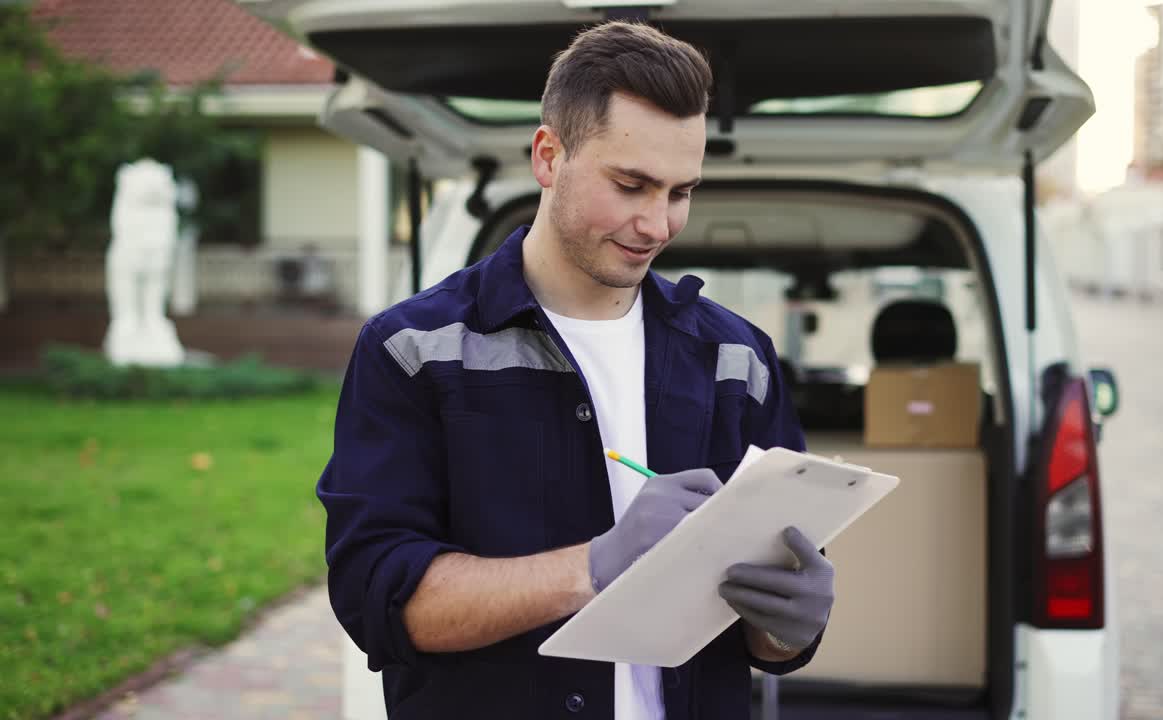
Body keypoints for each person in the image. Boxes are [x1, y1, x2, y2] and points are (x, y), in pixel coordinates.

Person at [319, 20, 836, 719]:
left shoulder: (736, 361)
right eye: (631, 185)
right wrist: (591, 567)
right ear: (548, 156)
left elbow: (763, 632)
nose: (657, 224)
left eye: (680, 192)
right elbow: (377, 595)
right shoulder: (414, 349)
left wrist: (787, 627)